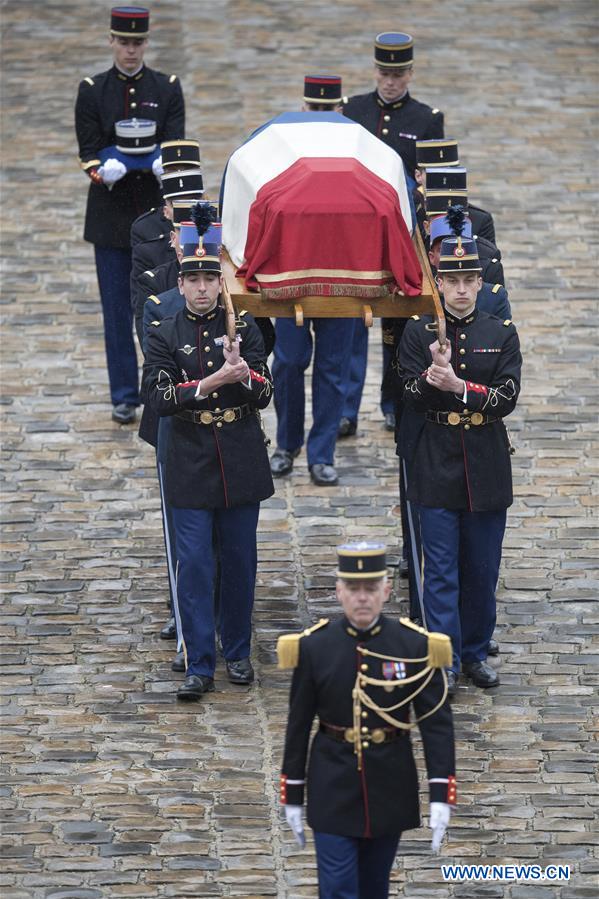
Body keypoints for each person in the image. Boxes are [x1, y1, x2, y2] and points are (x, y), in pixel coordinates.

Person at [278, 542, 456, 899]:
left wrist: (441, 793)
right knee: (338, 888)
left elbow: (435, 724)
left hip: (389, 783)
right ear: (339, 591)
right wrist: (292, 793)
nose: (362, 598)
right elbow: (298, 725)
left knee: (375, 888)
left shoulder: (413, 646)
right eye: (354, 588)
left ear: (386, 591)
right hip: (331, 784)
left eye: (371, 589)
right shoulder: (315, 647)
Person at [143, 236, 274, 700]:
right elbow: (159, 398)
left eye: (209, 279)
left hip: (238, 453)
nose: (201, 288)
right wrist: (216, 379)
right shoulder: (164, 331)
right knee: (195, 564)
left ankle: (237, 650)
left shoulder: (245, 328)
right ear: (180, 284)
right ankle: (199, 662)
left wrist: (244, 373)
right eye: (193, 279)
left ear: (221, 284)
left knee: (239, 560)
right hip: (190, 456)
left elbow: (265, 392)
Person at [398, 234, 522, 693]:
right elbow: (408, 394)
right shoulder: (418, 332)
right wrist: (433, 378)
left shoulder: (500, 331)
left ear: (480, 282)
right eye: (453, 281)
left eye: (469, 279)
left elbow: (506, 397)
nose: (462, 289)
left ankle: (475, 652)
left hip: (486, 460)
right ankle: (443, 660)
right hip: (436, 458)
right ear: (440, 283)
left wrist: (459, 387)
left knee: (482, 567)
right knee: (440, 569)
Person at [75, 6, 184, 424]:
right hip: (111, 216)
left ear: (146, 43)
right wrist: (102, 169)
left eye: (137, 42)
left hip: (155, 216)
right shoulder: (92, 90)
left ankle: (160, 384)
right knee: (117, 311)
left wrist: (162, 163)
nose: (131, 50)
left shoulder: (167, 87)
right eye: (124, 42)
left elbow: (175, 142)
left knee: (162, 305)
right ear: (111, 41)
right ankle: (123, 394)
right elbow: (88, 149)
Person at [342, 32, 443, 435]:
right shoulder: (352, 110)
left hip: (400, 233)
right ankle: (346, 409)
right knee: (351, 320)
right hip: (355, 235)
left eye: (398, 74)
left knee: (396, 324)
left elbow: (430, 180)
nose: (390, 82)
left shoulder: (426, 119)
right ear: (375, 71)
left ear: (410, 74)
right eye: (384, 73)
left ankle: (392, 400)